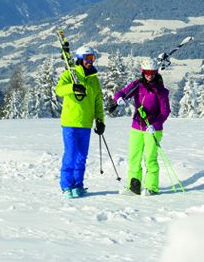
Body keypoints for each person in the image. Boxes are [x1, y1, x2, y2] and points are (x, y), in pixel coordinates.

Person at [110, 57, 171, 196]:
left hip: (152, 129)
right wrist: (118, 98)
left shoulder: (161, 91)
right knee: (134, 157)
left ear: (156, 72)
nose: (150, 75)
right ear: (143, 72)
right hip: (137, 126)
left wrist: (156, 125)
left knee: (150, 158)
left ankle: (151, 187)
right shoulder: (137, 85)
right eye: (147, 72)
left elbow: (165, 112)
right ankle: (134, 186)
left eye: (153, 72)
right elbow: (122, 92)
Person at [54, 45, 105, 199]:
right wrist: (72, 87)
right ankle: (66, 186)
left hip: (86, 123)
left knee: (82, 156)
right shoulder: (70, 74)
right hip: (70, 122)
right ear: (80, 59)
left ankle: (78, 185)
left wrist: (100, 120)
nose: (90, 61)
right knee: (70, 154)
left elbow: (98, 101)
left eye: (92, 58)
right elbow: (59, 90)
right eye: (87, 58)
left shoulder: (94, 80)